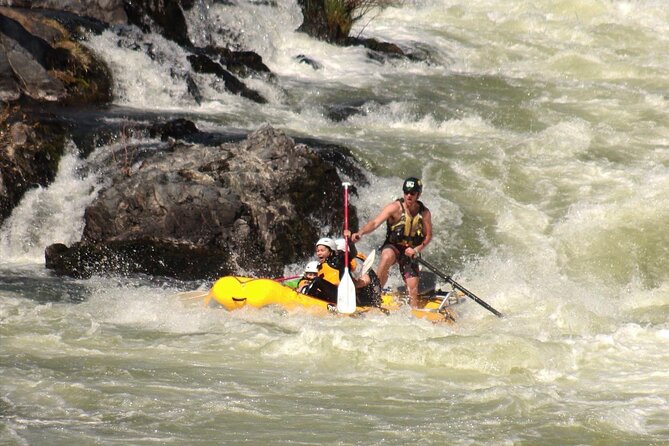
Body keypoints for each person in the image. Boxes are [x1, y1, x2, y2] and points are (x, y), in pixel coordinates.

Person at [350, 177, 432, 308]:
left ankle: (413, 313)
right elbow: (375, 223)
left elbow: (428, 236)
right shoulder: (394, 208)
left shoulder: (424, 213)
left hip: (410, 252)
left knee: (413, 290)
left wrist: (416, 250)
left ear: (418, 194)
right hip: (393, 247)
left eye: (412, 193)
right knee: (387, 256)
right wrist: (360, 233)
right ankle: (374, 295)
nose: (408, 196)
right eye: (406, 192)